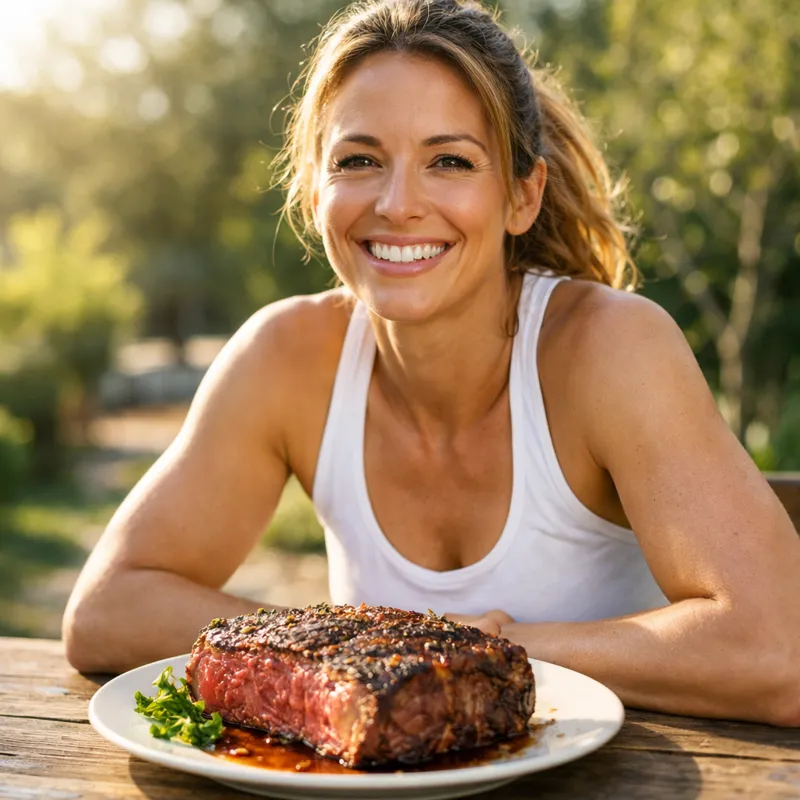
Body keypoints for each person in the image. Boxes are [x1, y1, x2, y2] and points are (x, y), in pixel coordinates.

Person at [63, 0, 799, 726]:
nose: (398, 203)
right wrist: (356, 647)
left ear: (521, 195)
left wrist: (476, 652)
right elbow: (107, 610)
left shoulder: (611, 349)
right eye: (360, 160)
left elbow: (779, 652)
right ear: (315, 189)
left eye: (450, 161)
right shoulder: (286, 357)